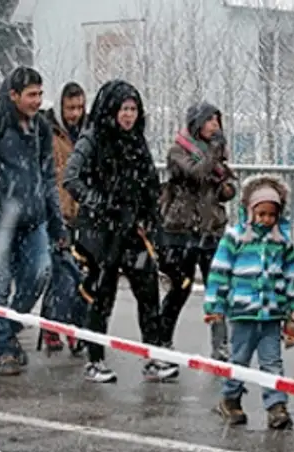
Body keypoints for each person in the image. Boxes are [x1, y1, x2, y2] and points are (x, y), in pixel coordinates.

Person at [63, 79, 176, 383]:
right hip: (101, 231)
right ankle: (95, 359)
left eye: (133, 109)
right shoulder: (94, 138)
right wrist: (100, 202)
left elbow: (149, 182)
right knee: (102, 295)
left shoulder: (137, 141)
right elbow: (71, 179)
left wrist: (151, 213)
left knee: (147, 291)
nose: (128, 116)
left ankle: (153, 356)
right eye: (123, 109)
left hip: (132, 230)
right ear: (111, 110)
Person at [0, 67, 65, 376]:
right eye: (31, 95)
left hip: (34, 219)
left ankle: (5, 328)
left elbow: (48, 178)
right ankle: (4, 350)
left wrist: (57, 225)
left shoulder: (41, 128)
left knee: (39, 274)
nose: (37, 101)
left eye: (40, 94)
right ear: (13, 95)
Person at [204, 174, 294, 429]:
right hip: (242, 314)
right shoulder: (235, 238)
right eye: (261, 214)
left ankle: (276, 406)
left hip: (271, 315)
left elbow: (293, 277)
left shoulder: (281, 243)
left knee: (272, 362)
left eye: (271, 215)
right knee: (239, 360)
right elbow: (219, 272)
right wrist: (215, 305)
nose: (266, 220)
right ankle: (230, 399)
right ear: (249, 211)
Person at [159, 102, 236, 363]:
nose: (215, 125)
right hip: (182, 230)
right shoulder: (178, 151)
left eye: (217, 120)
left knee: (217, 289)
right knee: (180, 288)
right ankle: (162, 340)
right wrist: (215, 153)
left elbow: (221, 184)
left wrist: (226, 188)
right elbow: (196, 174)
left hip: (210, 228)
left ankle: (220, 345)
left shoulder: (214, 153)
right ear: (197, 123)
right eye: (209, 120)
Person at [41, 81, 88, 354]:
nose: (75, 113)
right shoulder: (48, 132)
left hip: (81, 211)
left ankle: (73, 325)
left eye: (79, 107)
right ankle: (54, 323)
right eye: (70, 108)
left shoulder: (87, 132)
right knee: (63, 273)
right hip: (56, 211)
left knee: (80, 273)